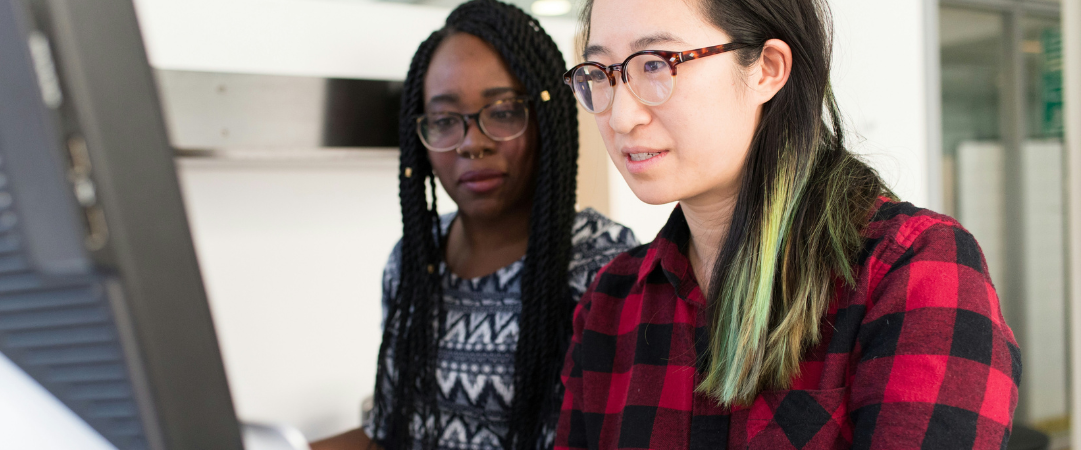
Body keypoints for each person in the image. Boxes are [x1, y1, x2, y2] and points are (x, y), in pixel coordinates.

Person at [554, 0, 1020, 448]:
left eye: (655, 65)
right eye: (600, 73)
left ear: (767, 68)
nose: (621, 117)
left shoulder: (910, 271)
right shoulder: (611, 301)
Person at [310, 2, 637, 450]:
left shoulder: (603, 265)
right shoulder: (412, 259)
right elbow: (391, 433)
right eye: (445, 121)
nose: (472, 143)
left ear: (545, 119)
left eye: (503, 111)